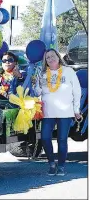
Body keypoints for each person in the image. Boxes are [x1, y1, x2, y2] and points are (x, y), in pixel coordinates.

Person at [34, 48, 81, 176]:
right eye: (47, 57)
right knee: (45, 138)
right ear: (45, 61)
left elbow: (77, 91)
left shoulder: (68, 71)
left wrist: (76, 110)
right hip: (48, 112)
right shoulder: (42, 73)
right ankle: (51, 163)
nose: (50, 59)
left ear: (58, 57)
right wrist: (36, 82)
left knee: (62, 139)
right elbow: (38, 92)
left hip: (65, 111)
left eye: (52, 56)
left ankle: (61, 166)